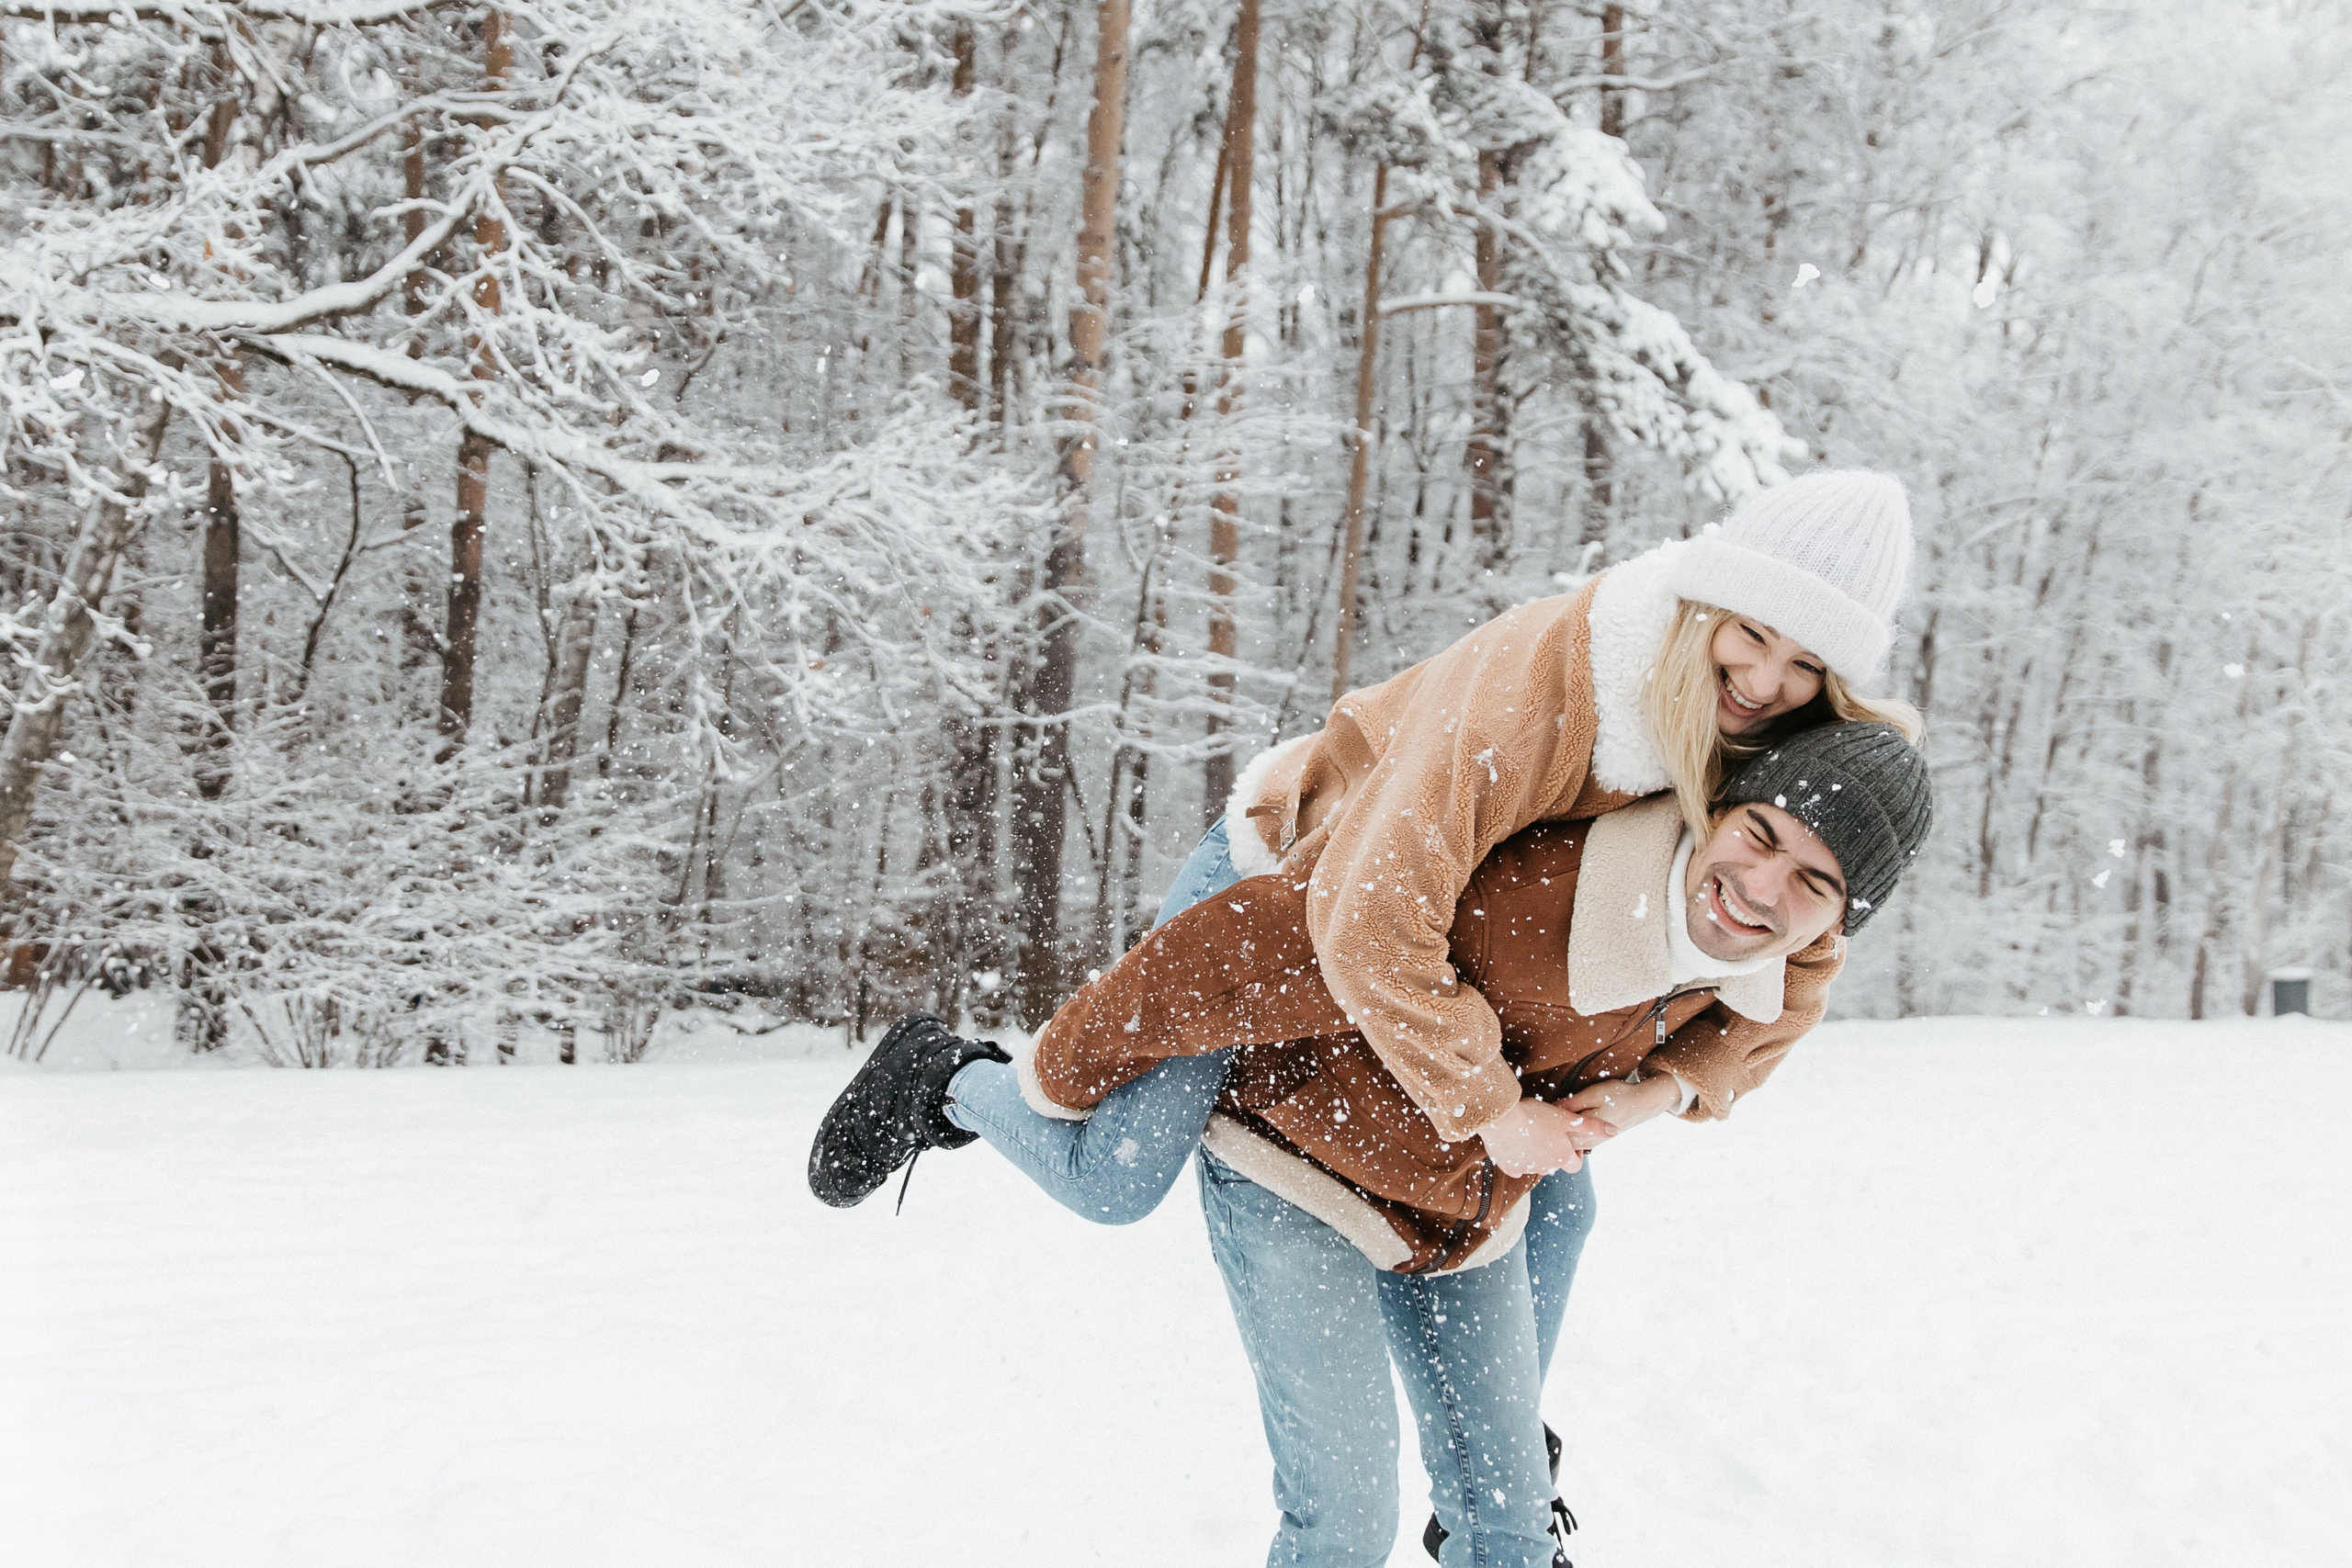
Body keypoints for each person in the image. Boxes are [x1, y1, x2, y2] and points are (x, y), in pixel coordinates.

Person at [818, 722, 1933, 1566]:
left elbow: (1761, 1028)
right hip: (1290, 1120)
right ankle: (949, 1080)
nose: (1759, 889)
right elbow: (1248, 952)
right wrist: (1066, 1067)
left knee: (1507, 1519)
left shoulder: (1755, 966)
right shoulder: (1535, 883)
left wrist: (1649, 1097)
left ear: (1838, 920)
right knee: (1339, 1510)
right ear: (1714, 805)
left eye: (1814, 884)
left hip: (1453, 1201)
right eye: (1759, 836)